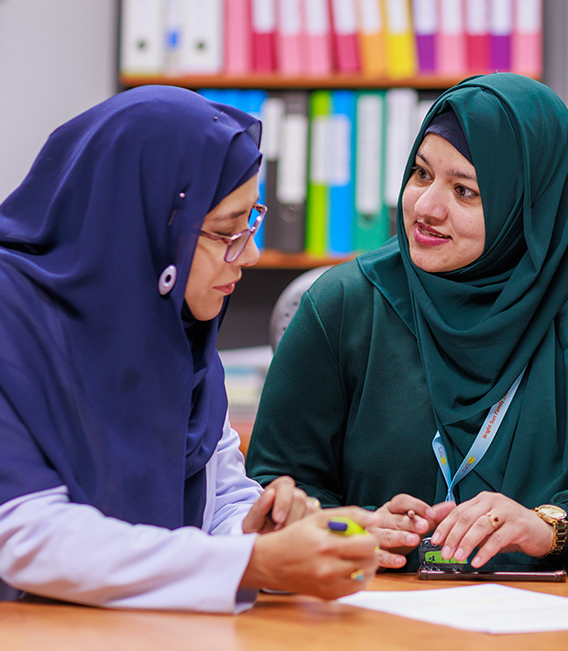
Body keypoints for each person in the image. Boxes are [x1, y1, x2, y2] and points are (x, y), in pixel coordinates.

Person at [246, 73, 568, 577]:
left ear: (527, 206)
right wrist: (348, 527)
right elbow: (276, 488)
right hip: (374, 612)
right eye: (421, 175)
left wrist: (554, 527)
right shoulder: (344, 305)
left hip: (567, 619)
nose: (425, 207)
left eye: (465, 190)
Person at [0, 86, 378, 612]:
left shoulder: (174, 322)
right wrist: (252, 563)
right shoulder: (12, 319)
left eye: (252, 220)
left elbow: (218, 493)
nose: (249, 253)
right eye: (228, 231)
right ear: (151, 225)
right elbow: (27, 536)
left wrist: (260, 530)